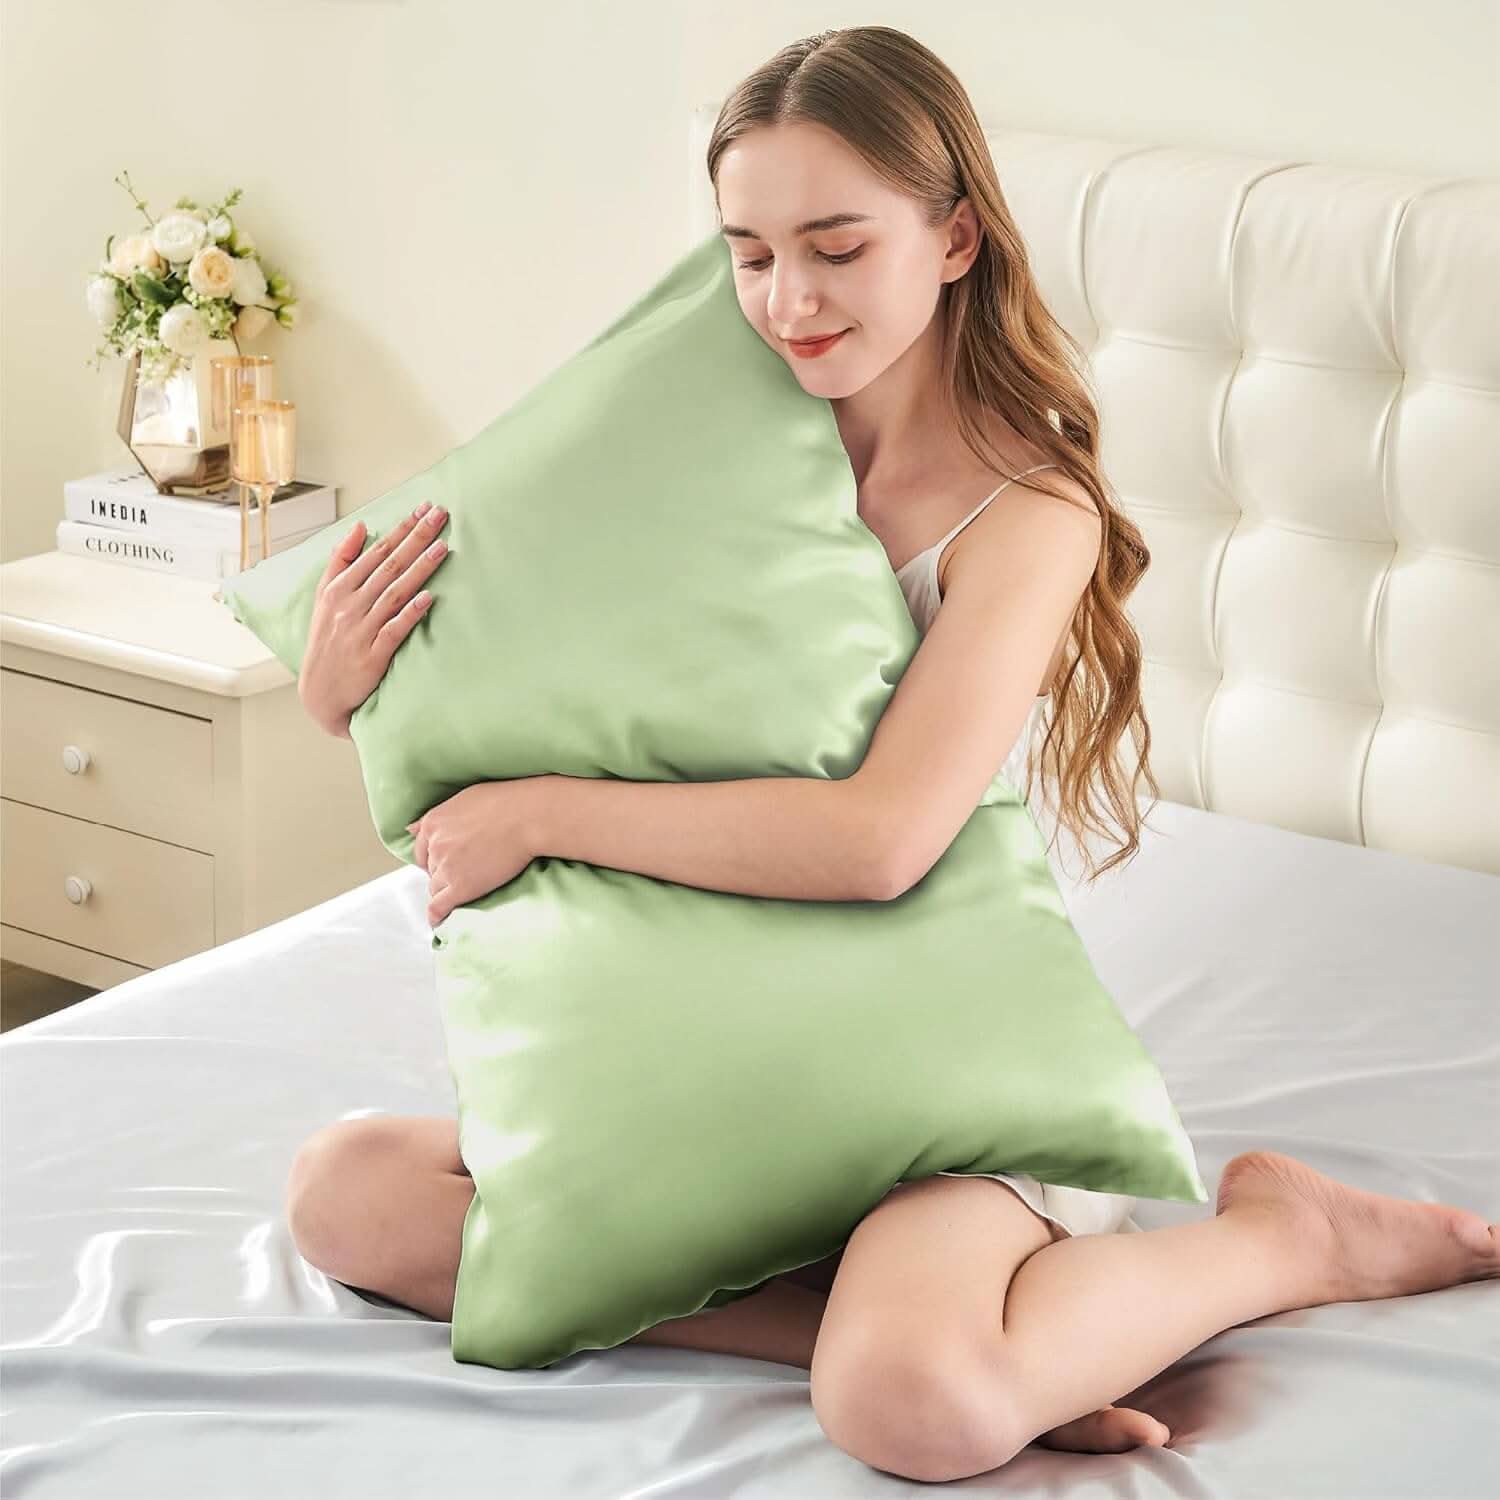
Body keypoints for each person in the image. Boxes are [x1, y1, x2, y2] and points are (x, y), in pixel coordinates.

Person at [286, 25, 1500, 1485]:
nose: (786, 299)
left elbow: (883, 839)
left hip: (939, 1088)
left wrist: (543, 814)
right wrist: (343, 685)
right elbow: (529, 683)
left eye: (837, 246)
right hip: (703, 1045)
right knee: (348, 1196)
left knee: (909, 1411)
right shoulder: (687, 447)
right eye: (747, 252)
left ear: (953, 239)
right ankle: (935, 1334)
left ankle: (1275, 1240)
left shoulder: (1024, 510)